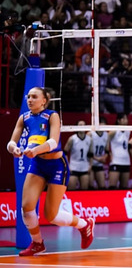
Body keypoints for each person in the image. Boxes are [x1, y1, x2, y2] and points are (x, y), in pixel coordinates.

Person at [6, 87, 95, 256]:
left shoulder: (52, 116)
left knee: (51, 216)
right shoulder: (24, 118)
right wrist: (14, 149)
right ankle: (37, 243)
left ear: (44, 101)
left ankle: (84, 225)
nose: (30, 100)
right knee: (26, 207)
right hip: (38, 164)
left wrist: (36, 150)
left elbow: (53, 142)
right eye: (28, 97)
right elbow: (11, 143)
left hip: (56, 165)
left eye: (34, 97)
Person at [65, 120, 92, 190]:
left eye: (84, 125)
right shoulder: (72, 139)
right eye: (80, 125)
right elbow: (65, 153)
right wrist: (67, 166)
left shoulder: (89, 139)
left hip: (84, 167)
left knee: (85, 189)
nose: (82, 127)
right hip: (73, 167)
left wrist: (90, 166)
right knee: (71, 189)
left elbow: (90, 154)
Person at [106, 113, 131, 189]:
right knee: (112, 187)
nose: (126, 120)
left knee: (124, 187)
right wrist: (109, 153)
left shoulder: (128, 130)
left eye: (126, 118)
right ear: (118, 120)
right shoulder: (114, 131)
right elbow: (105, 140)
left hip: (126, 161)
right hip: (116, 161)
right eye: (123, 118)